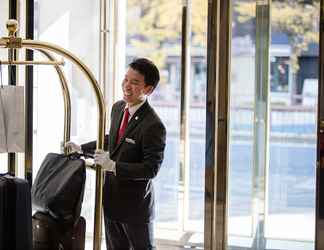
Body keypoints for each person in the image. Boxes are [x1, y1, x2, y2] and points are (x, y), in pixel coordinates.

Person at [66, 58, 166, 250]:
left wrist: (113, 166)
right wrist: (81, 148)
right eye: (126, 79)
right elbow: (113, 139)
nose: (127, 86)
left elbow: (151, 169)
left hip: (135, 208)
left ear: (148, 89)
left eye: (135, 82)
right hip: (111, 201)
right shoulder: (118, 108)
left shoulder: (153, 125)